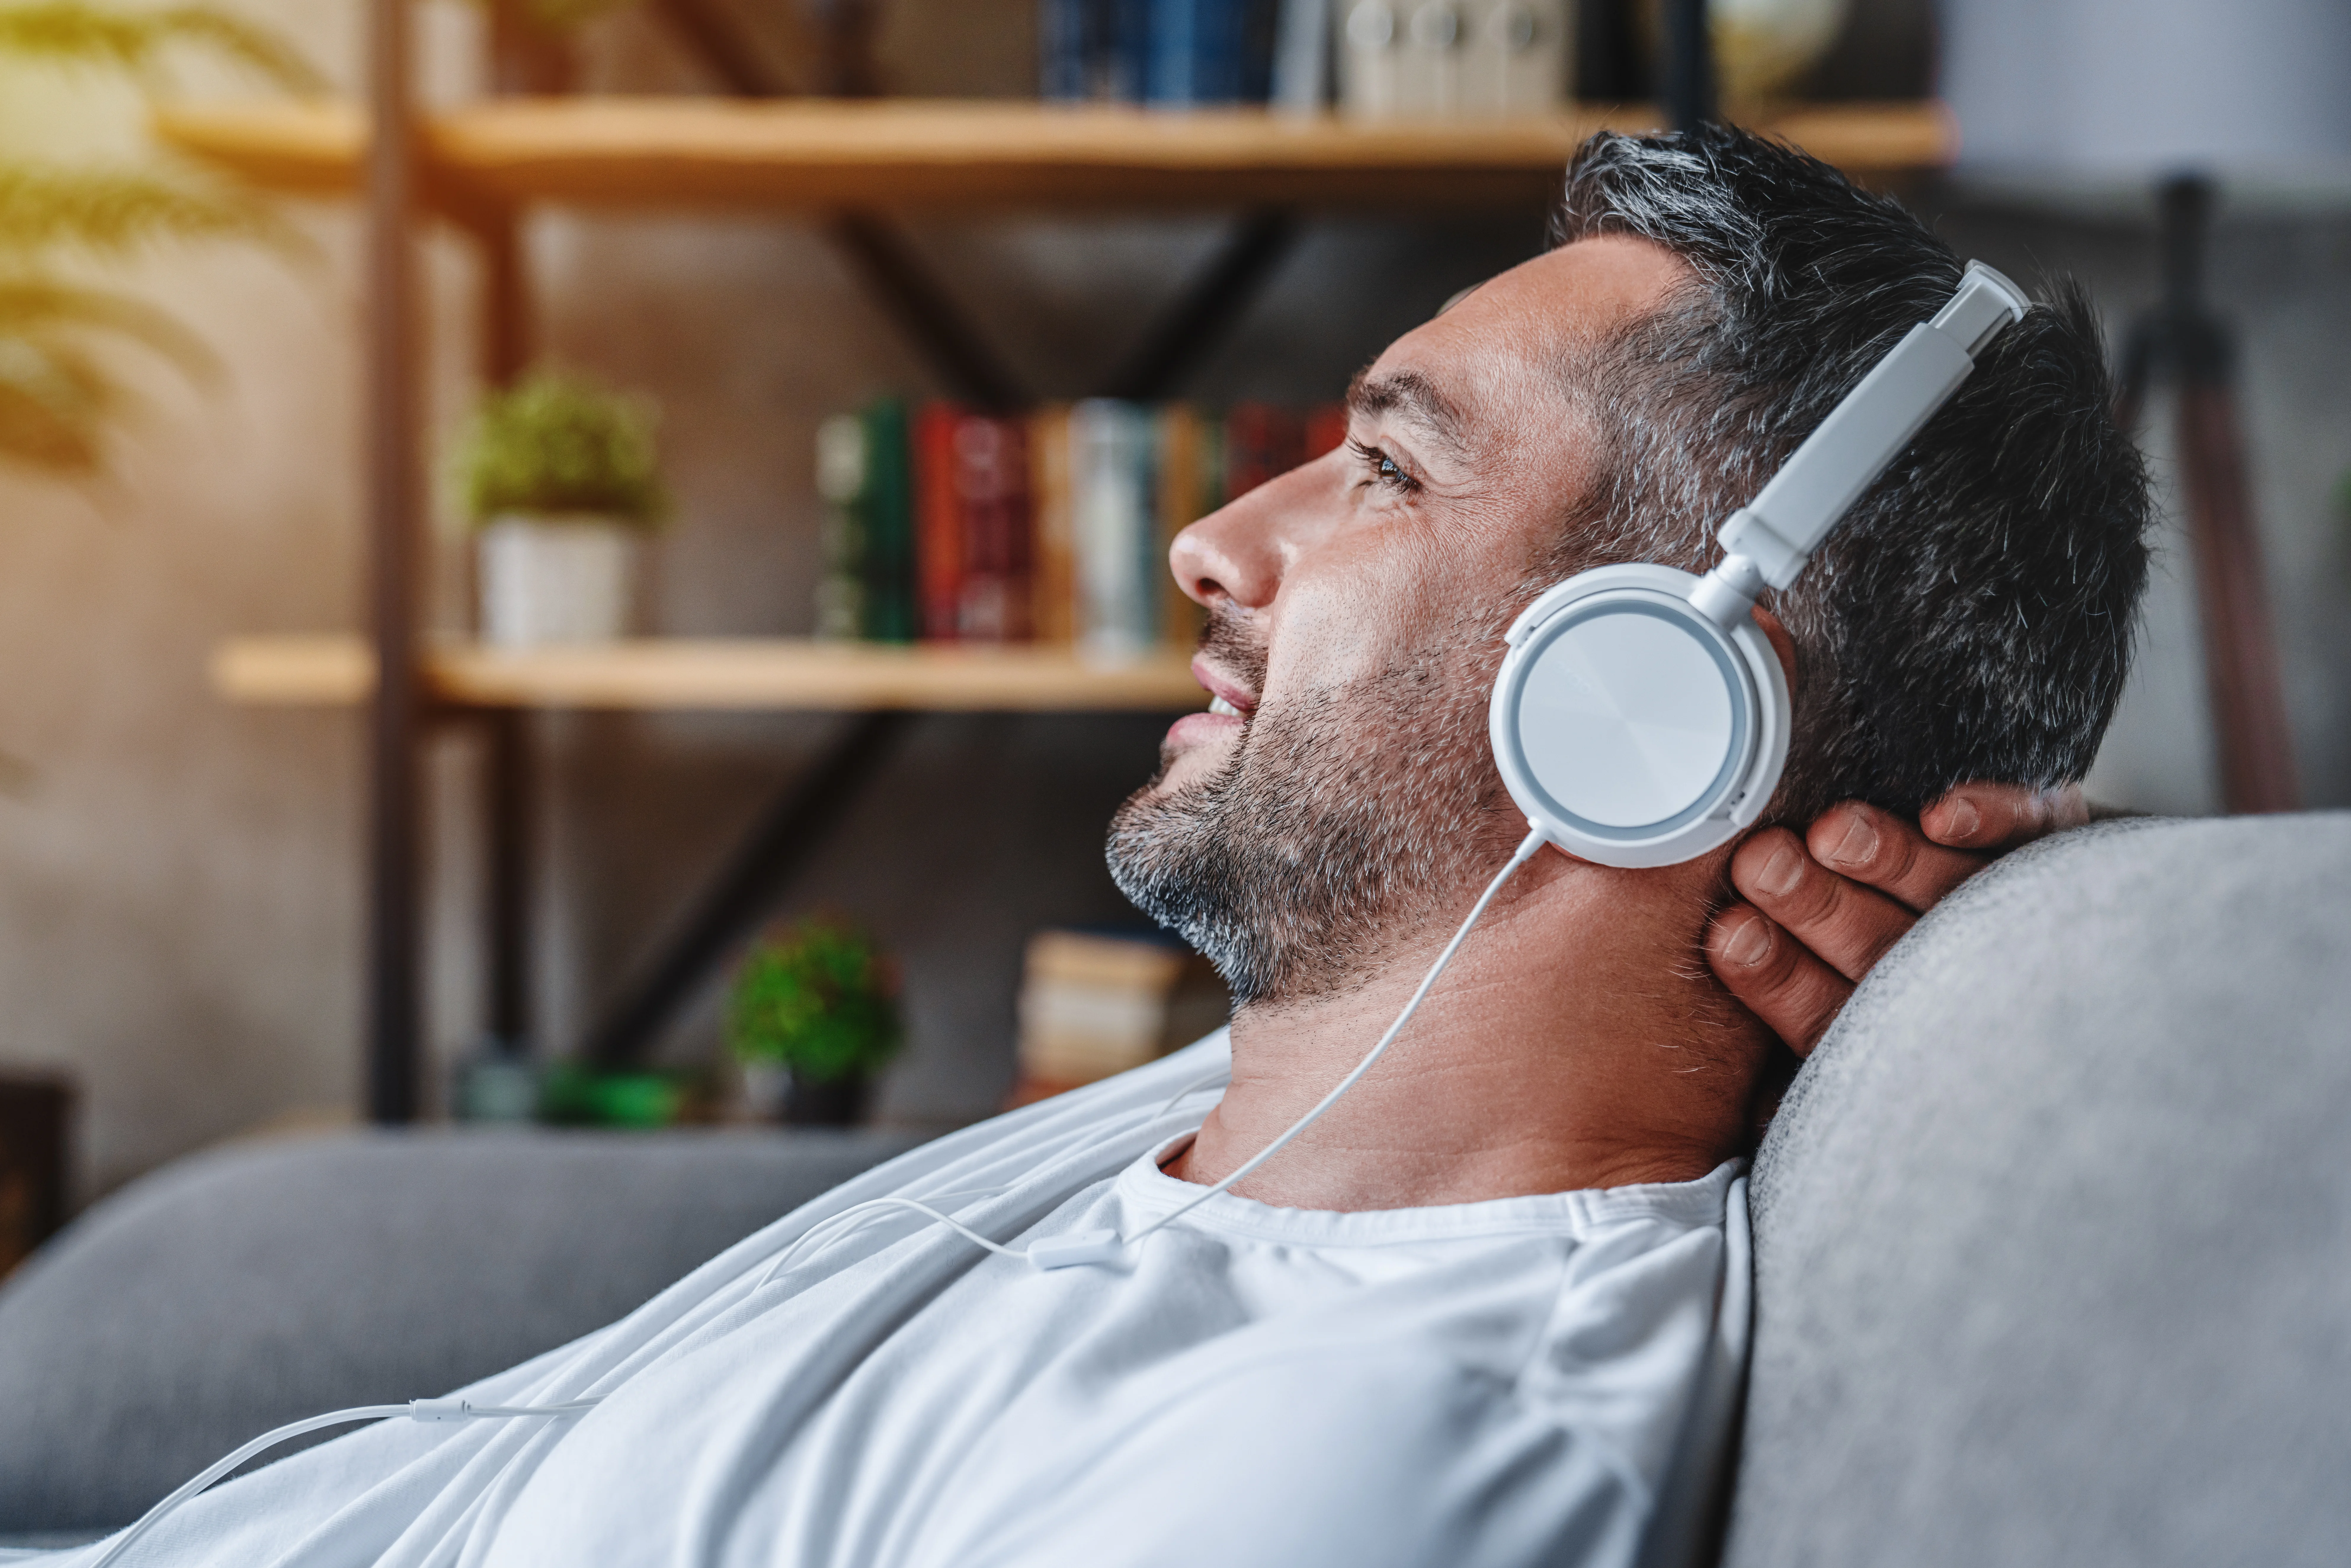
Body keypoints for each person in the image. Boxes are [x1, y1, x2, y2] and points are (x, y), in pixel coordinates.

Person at [53, 125, 2147, 1568]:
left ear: (1655, 700)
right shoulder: (1296, 1116)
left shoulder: (1364, 1446)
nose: (1212, 543)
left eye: (1389, 473)